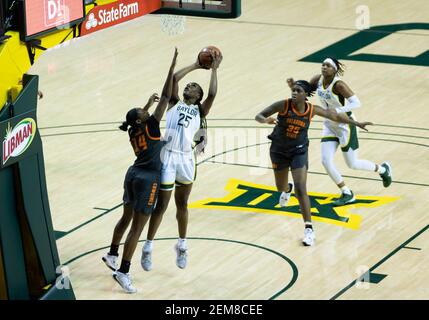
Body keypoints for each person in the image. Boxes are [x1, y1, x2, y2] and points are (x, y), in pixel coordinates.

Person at [255, 80, 373, 246]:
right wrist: (264, 120)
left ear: (305, 95)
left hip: (299, 151)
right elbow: (258, 115)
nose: (294, 93)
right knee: (280, 187)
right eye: (293, 90)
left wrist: (356, 123)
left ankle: (308, 229)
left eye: (298, 90)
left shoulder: (312, 110)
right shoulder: (283, 105)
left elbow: (336, 116)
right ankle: (286, 189)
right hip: (278, 150)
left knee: (301, 188)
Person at [102, 48, 178, 293]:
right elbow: (167, 96)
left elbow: (138, 117)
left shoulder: (133, 130)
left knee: (125, 218)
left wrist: (146, 103)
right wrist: (172, 68)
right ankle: (123, 271)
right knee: (137, 227)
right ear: (141, 120)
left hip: (133, 174)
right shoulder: (151, 126)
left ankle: (112, 253)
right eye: (144, 113)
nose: (147, 112)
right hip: (148, 179)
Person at [141, 50, 222, 271]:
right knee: (161, 205)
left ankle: (182, 245)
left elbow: (213, 94)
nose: (188, 87)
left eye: (193, 87)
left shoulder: (200, 110)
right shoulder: (174, 102)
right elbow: (174, 79)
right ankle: (148, 247)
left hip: (186, 159)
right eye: (188, 86)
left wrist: (214, 69)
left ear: (198, 95)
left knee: (182, 204)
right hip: (167, 156)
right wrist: (196, 65)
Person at [288, 58, 392, 206]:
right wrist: (294, 87)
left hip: (345, 125)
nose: (324, 67)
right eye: (323, 64)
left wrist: (337, 110)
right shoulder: (317, 80)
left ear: (335, 69)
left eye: (328, 65)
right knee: (325, 161)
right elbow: (304, 92)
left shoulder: (339, 85)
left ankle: (383, 170)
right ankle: (347, 192)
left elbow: (357, 103)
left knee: (353, 164)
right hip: (329, 124)